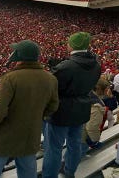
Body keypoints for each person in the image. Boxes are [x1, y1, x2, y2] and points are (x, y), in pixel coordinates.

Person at [0, 40, 59, 178]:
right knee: (28, 172)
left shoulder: (11, 78)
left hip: (5, 135)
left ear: (20, 56)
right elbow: (53, 106)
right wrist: (35, 116)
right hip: (30, 134)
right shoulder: (50, 79)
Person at [43, 32, 101, 178]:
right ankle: (70, 172)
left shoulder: (66, 66)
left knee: (54, 148)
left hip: (61, 111)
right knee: (74, 144)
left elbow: (49, 87)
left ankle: (49, 176)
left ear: (72, 45)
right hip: (82, 109)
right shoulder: (96, 65)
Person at [82, 79, 111, 156]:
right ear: (99, 89)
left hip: (78, 130)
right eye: (106, 89)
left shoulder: (87, 94)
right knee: (79, 152)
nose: (108, 91)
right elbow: (92, 127)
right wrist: (95, 141)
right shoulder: (96, 106)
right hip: (84, 136)